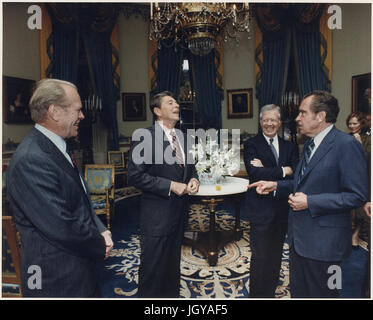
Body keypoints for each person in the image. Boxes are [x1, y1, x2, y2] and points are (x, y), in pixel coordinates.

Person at [248, 91, 369, 298]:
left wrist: (310, 202)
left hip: (327, 246)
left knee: (325, 293)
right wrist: (275, 185)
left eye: (303, 113)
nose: (297, 118)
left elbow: (356, 195)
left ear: (320, 116)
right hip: (300, 240)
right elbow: (301, 182)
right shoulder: (309, 145)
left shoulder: (346, 145)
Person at [6, 79, 113, 297]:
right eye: (78, 110)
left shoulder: (55, 147)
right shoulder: (31, 159)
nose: (82, 116)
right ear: (55, 112)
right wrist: (99, 244)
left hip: (77, 266)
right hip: (56, 277)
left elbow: (81, 199)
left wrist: (100, 228)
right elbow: (62, 225)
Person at [127, 91, 199, 298]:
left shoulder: (184, 137)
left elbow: (190, 169)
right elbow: (135, 176)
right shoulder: (145, 136)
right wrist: (171, 186)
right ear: (157, 111)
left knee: (171, 267)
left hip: (180, 213)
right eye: (170, 102)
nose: (177, 105)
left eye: (176, 102)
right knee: (152, 269)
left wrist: (194, 179)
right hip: (157, 215)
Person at [244, 104, 299, 298]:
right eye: (265, 120)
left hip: (284, 207)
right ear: (260, 122)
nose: (269, 124)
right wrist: (285, 170)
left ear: (279, 122)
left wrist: (269, 168)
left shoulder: (290, 146)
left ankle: (271, 288)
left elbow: (296, 175)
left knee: (276, 253)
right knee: (260, 255)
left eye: (273, 120)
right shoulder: (251, 144)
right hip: (260, 208)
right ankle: (258, 295)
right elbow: (254, 173)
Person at [346, 111, 371, 248]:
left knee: (360, 210)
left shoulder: (368, 139)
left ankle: (356, 235)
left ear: (361, 123)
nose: (352, 126)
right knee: (348, 209)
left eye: (355, 123)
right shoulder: (345, 138)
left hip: (362, 178)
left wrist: (360, 145)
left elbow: (367, 160)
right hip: (347, 178)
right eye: (350, 123)